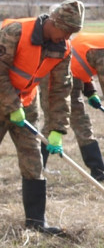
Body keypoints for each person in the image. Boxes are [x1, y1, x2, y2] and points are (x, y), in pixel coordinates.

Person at [0, 0, 84, 235]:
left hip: (26, 103)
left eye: (71, 33)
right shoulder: (16, 32)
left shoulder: (62, 48)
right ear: (54, 22)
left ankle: (36, 221)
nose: (66, 37)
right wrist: (11, 105)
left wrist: (57, 129)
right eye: (65, 31)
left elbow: (59, 90)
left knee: (33, 160)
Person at [26, 32, 104, 182]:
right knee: (55, 122)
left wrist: (90, 91)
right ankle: (36, 168)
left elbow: (82, 61)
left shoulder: (98, 42)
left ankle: (98, 170)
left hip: (72, 75)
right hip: (55, 77)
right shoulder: (101, 49)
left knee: (81, 123)